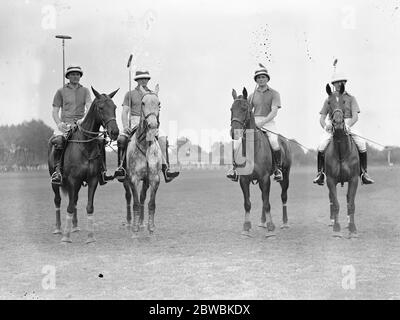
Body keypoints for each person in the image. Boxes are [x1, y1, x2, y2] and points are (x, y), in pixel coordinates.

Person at [114, 70, 179, 183]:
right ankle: (121, 168)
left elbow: (156, 111)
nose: (144, 81)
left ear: (148, 80)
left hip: (150, 122)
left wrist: (156, 123)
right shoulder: (130, 94)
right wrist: (125, 126)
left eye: (146, 79)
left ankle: (166, 169)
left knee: (163, 138)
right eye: (141, 79)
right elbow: (124, 112)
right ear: (137, 80)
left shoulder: (152, 94)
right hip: (134, 122)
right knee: (121, 139)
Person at [50, 65, 111, 185]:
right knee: (58, 141)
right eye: (72, 74)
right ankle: (58, 172)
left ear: (80, 76)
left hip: (81, 124)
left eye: (77, 74)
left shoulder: (85, 91)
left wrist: (82, 120)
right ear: (67, 76)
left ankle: (102, 172)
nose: (75, 76)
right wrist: (59, 124)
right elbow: (55, 111)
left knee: (100, 141)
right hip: (65, 125)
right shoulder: (60, 91)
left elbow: (89, 107)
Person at [313, 72, 374, 185]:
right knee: (321, 145)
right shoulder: (328, 99)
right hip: (332, 124)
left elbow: (355, 116)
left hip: (348, 122)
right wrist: (326, 126)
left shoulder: (351, 98)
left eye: (341, 82)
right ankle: (320, 174)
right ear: (333, 84)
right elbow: (322, 118)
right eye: (336, 82)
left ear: (344, 83)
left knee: (361, 143)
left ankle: (364, 173)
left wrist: (348, 125)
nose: (339, 84)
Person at [227, 65, 283, 182]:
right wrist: (238, 125)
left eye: (263, 77)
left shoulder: (274, 94)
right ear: (256, 80)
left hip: (268, 122)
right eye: (258, 78)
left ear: (267, 79)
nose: (261, 79)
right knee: (237, 143)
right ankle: (235, 169)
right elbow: (246, 111)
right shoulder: (251, 96)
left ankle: (278, 169)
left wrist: (263, 121)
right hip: (254, 122)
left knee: (273, 141)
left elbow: (274, 112)